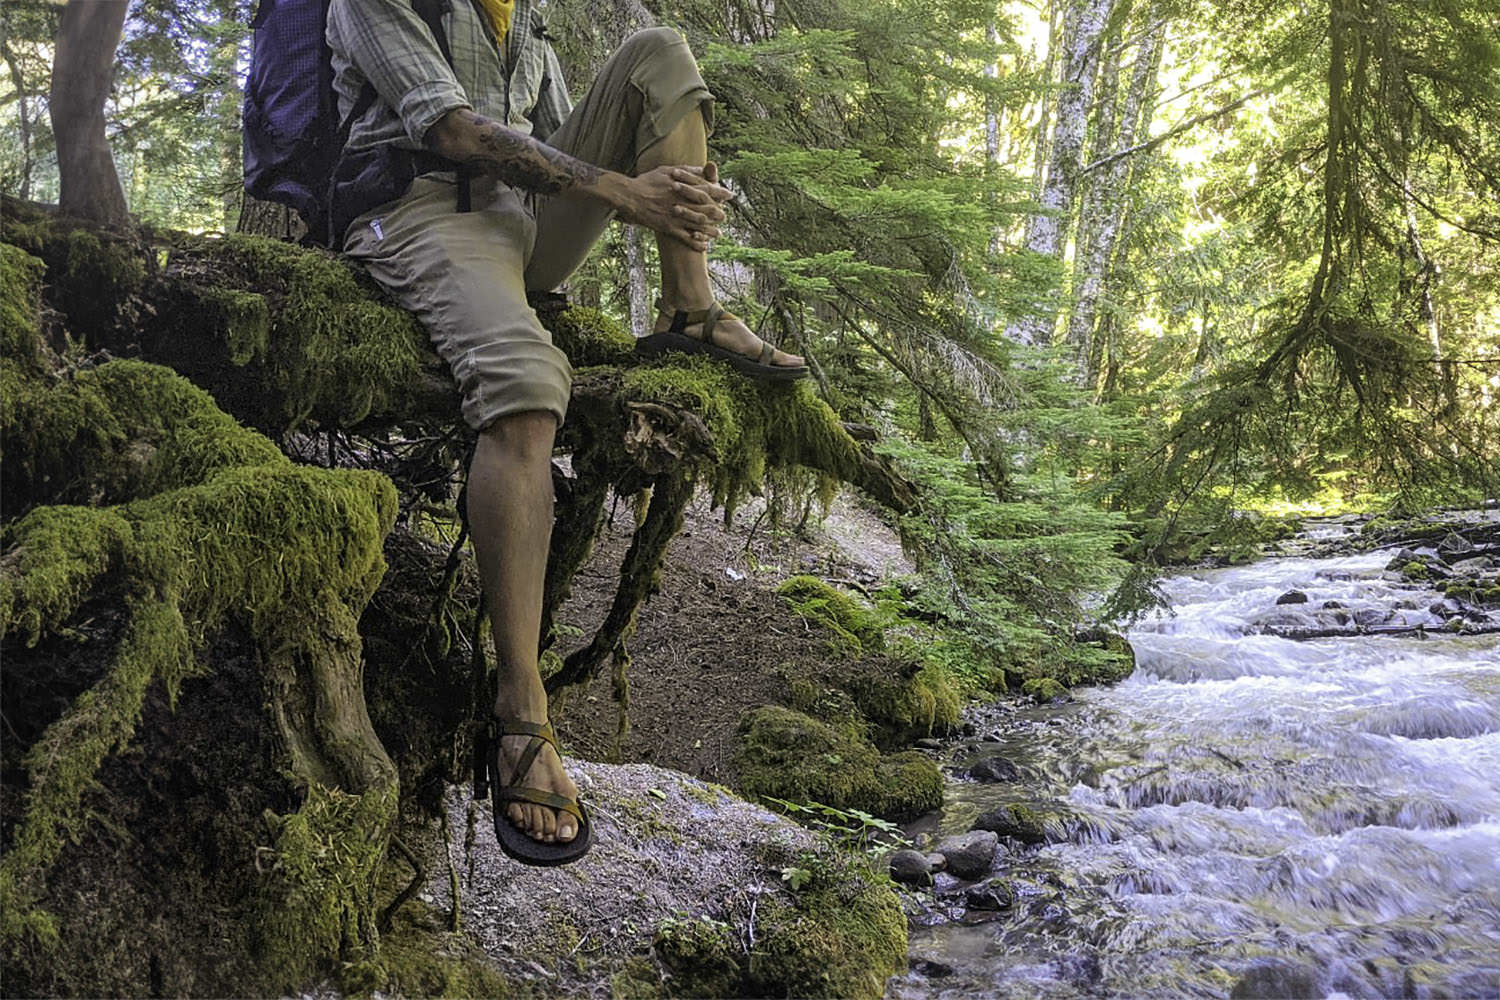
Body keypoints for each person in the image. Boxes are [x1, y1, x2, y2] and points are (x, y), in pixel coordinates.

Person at [326, 0, 806, 865]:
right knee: (526, 387)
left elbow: (562, 152)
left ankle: (691, 308)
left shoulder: (524, 15)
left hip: (522, 221)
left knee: (657, 52)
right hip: (420, 210)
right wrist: (630, 194)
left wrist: (667, 191)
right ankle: (520, 714)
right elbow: (452, 131)